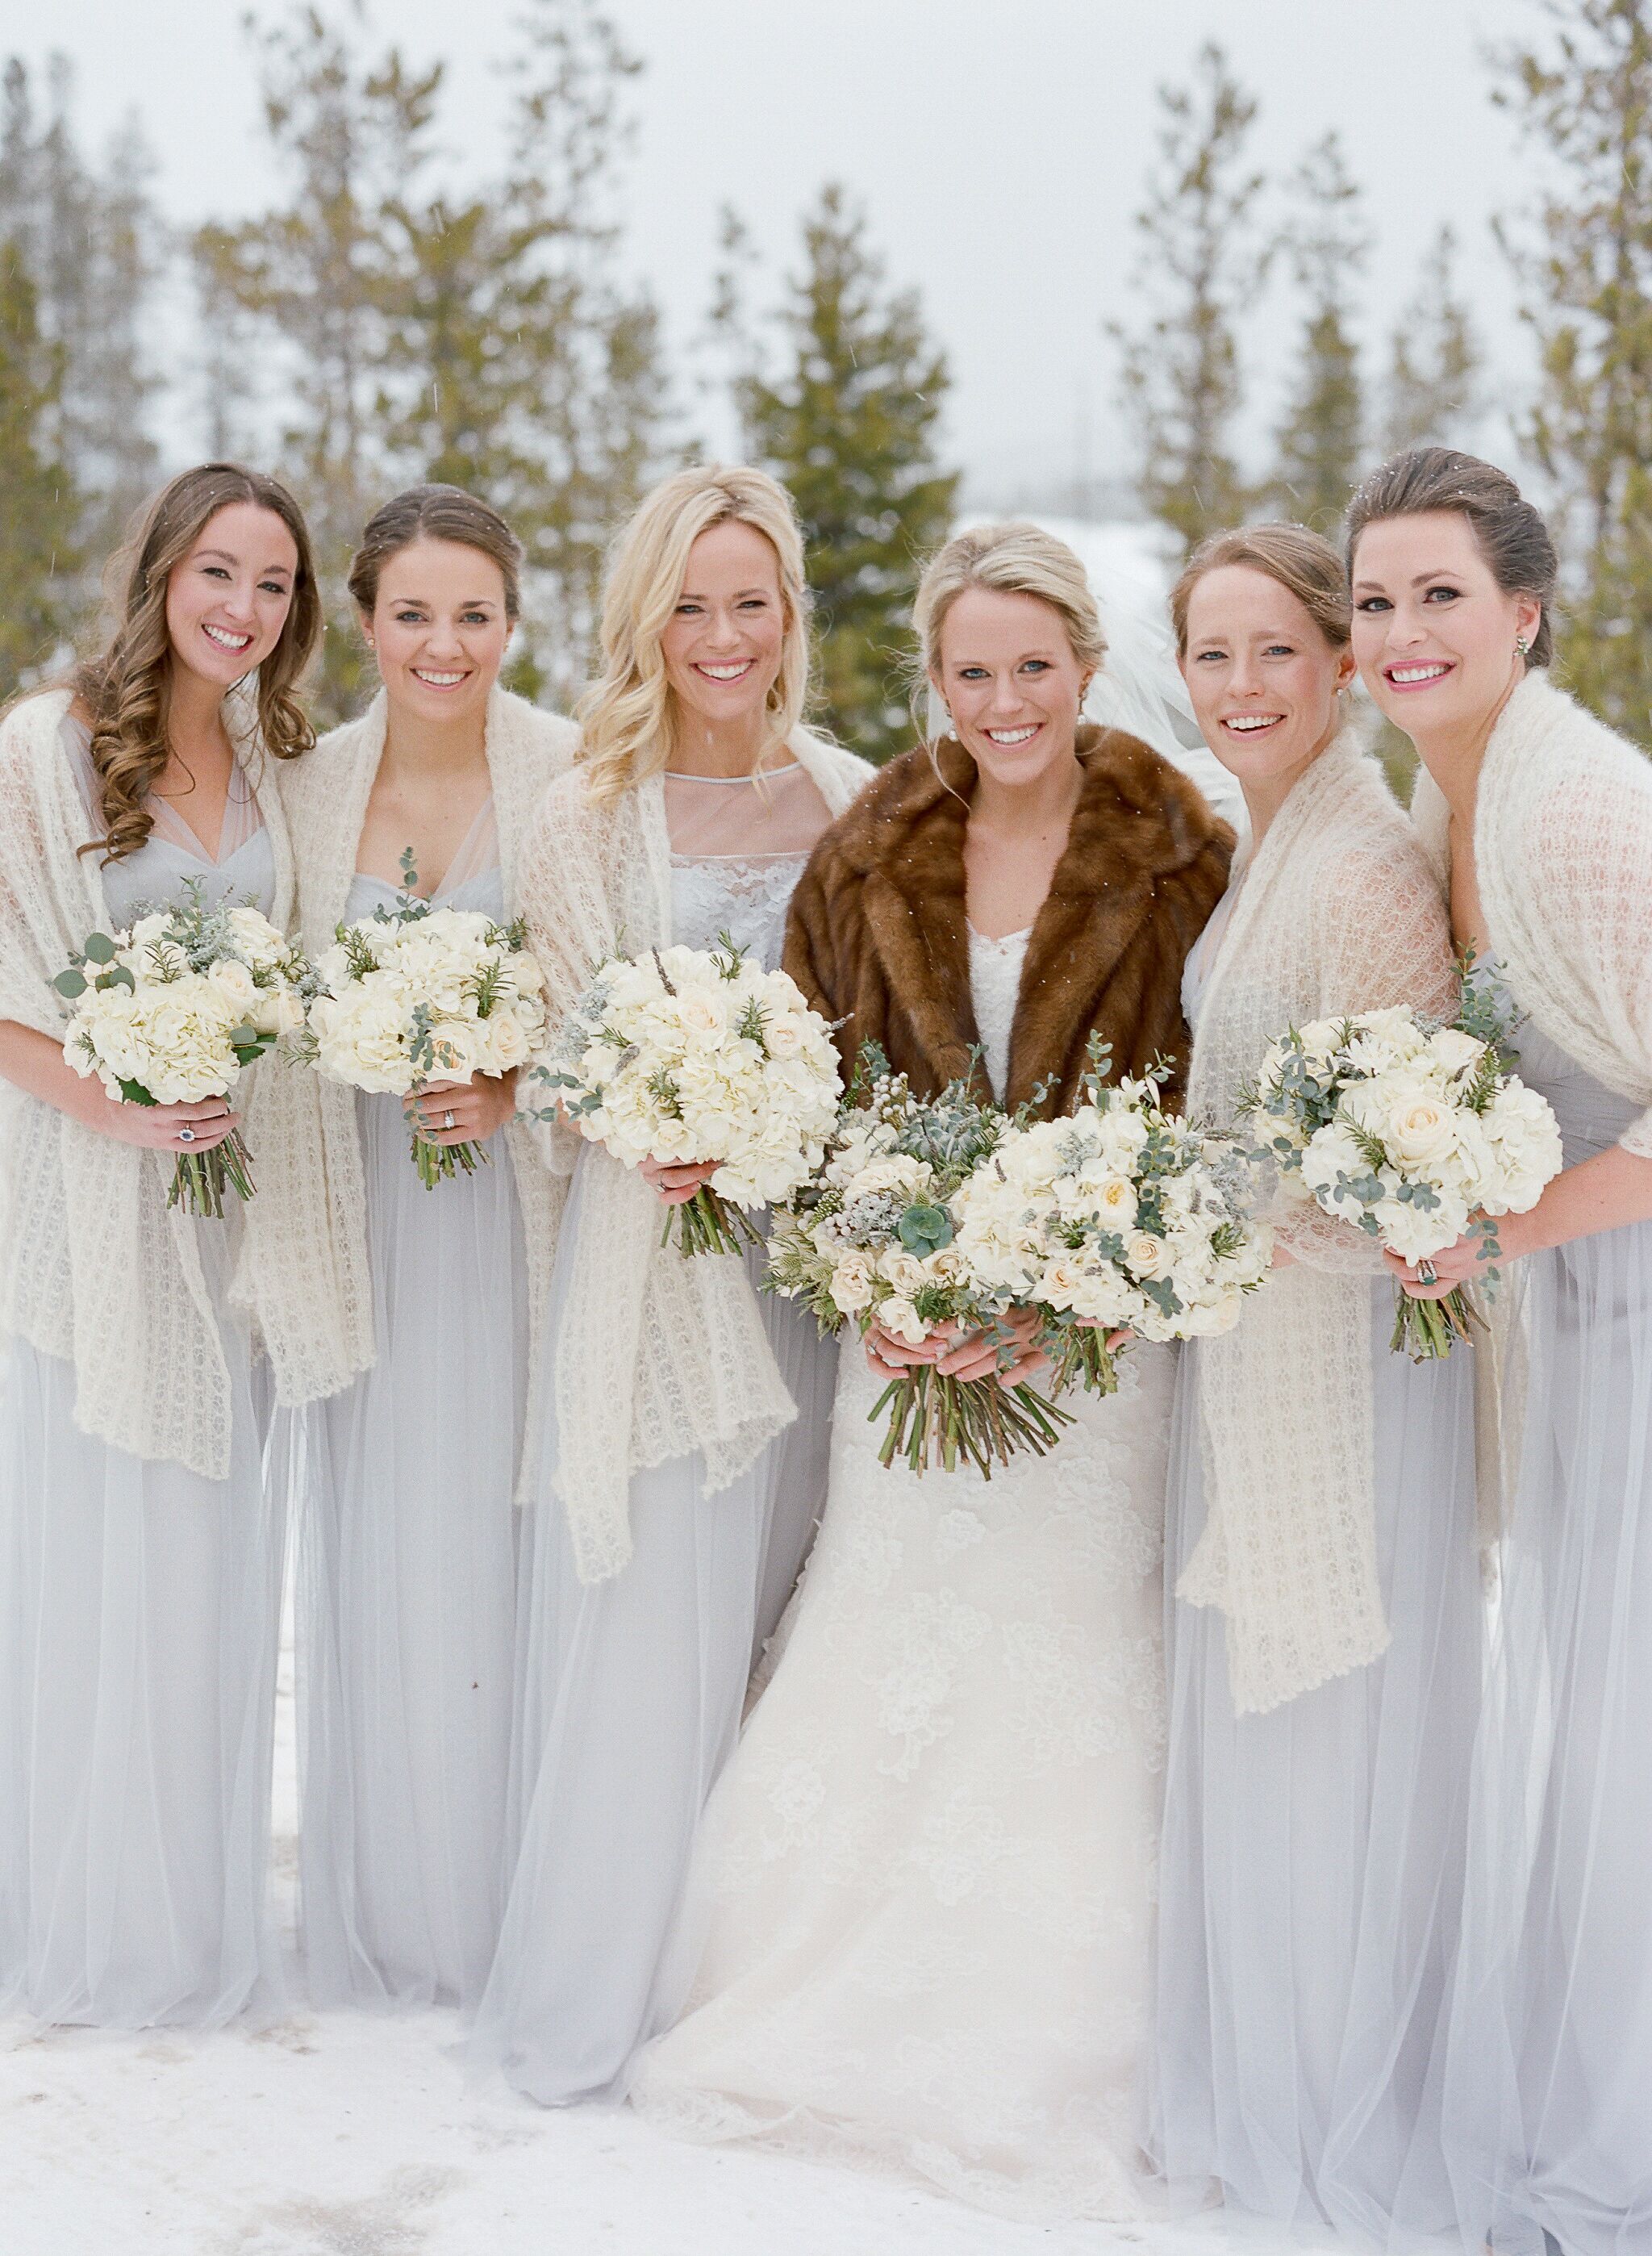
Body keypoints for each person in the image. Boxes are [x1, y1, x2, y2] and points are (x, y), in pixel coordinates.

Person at [632, 520, 1232, 2222]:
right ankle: (814, 1989)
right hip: (907, 1341)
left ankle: (1065, 2039)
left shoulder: (1179, 842)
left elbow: (1200, 1116)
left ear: (1084, 666)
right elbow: (815, 1100)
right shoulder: (872, 841)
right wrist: (869, 1272)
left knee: (1063, 1661)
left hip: (1091, 1356)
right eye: (971, 672)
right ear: (934, 678)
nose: (1004, 700)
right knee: (887, 1637)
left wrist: (1071, 1294)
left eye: (1033, 666)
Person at [469, 465, 870, 2102]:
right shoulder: (582, 809)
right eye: (690, 604)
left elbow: (885, 1036)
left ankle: (744, 1980)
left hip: (807, 1264)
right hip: (649, 1264)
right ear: (646, 617)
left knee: (792, 1610)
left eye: (750, 602)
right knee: (655, 1614)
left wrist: (787, 1122)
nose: (722, 635)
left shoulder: (855, 795)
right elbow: (553, 1049)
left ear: (789, 616)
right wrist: (649, 1114)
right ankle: (603, 1984)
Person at [1149, 522, 1479, 2237]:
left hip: (1339, 1377)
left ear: (1341, 666)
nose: (1242, 685)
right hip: (1256, 1352)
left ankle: (1338, 2101)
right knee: (1274, 1724)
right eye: (1211, 654)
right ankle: (1268, 2070)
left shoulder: (1355, 869)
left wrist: (1210, 1225)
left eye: (1276, 648)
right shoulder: (1265, 840)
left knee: (1327, 1721)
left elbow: (1410, 1190)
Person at [1349, 447, 1652, 2256]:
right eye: (1373, 600)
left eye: (1437, 594)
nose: (1399, 631)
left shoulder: (1579, 811)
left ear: (1525, 610)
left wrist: (1499, 1226)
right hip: (1575, 1314)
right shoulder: (1439, 800)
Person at [0, 462, 330, 2028]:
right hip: (92, 1202)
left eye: (271, 584)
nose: (241, 609)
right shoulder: (47, 748)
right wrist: (113, 1104)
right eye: (219, 571)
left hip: (235, 1212)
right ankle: (86, 1914)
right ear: (161, 571)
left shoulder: (283, 765)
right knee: (97, 1549)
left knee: (207, 1555)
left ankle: (193, 1911)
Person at [274, 485, 576, 2009]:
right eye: (413, 614)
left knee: (515, 1527)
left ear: (514, 624)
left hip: (520, 1216)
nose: (444, 644)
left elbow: (611, 993)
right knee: (390, 1533)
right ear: (368, 620)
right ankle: (398, 1899)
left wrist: (517, 1081)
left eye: (475, 615)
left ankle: (525, 1892)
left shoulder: (573, 774)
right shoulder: (311, 787)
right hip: (367, 1208)